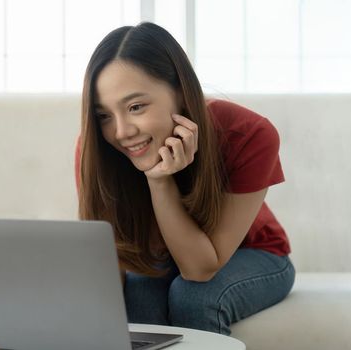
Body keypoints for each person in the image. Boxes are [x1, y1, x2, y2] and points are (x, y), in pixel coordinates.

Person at [74, 22, 295, 335]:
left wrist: (160, 181)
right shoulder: (94, 149)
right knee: (138, 293)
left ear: (179, 91)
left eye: (136, 106)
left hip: (256, 254)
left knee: (193, 297)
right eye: (104, 115)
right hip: (158, 259)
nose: (121, 132)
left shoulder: (249, 134)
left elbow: (199, 269)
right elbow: (111, 264)